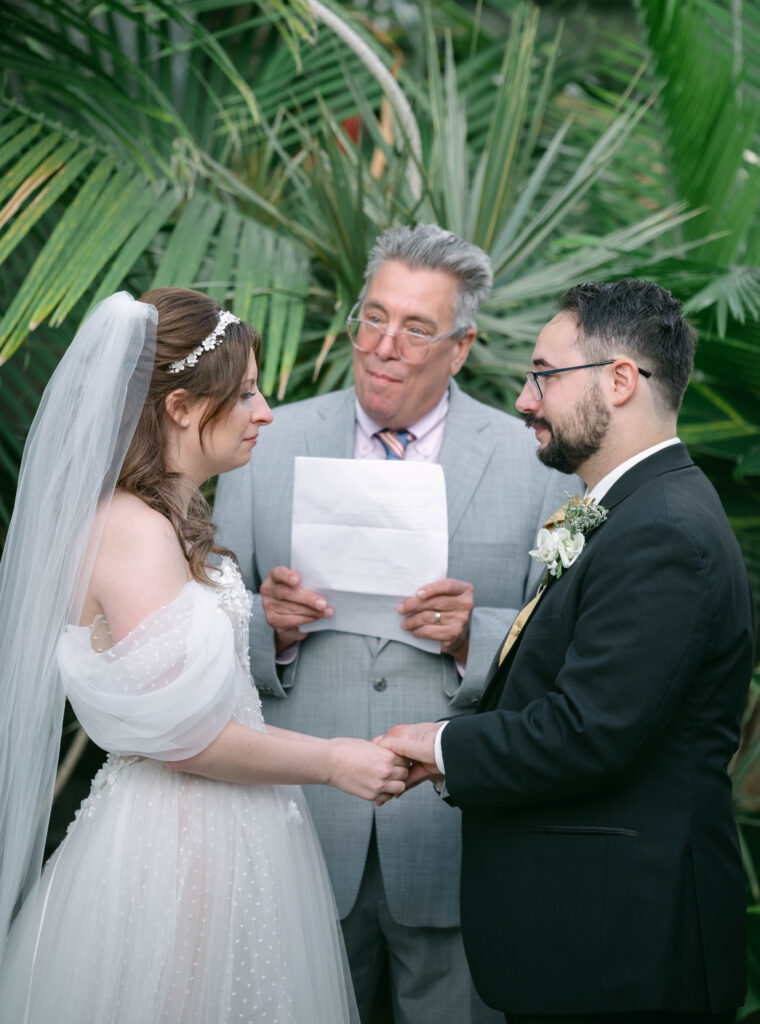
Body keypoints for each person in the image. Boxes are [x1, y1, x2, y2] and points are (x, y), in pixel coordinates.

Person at [0, 287, 410, 1023]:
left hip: (220, 831)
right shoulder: (133, 529)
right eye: (246, 393)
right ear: (183, 407)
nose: (265, 413)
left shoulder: (166, 517)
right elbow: (187, 740)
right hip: (176, 852)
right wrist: (334, 761)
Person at [214, 224, 575, 1023]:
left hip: (450, 835)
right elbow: (206, 618)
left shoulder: (531, 460)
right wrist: (265, 628)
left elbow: (560, 641)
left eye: (416, 328)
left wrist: (469, 635)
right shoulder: (265, 441)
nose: (384, 346)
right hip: (298, 825)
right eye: (373, 318)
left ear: (461, 346)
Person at [379, 278, 757, 1023]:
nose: (525, 399)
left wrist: (443, 744)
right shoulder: (631, 509)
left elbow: (590, 731)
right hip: (598, 934)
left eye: (544, 375)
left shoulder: (663, 532)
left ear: (620, 381)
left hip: (626, 943)